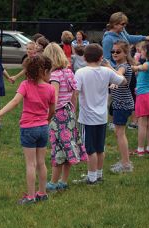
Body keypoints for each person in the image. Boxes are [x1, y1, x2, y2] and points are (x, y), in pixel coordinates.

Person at [0, 55, 55, 205]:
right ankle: (42, 193)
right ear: (42, 70)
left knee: (30, 164)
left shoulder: (25, 85)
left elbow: (14, 102)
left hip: (28, 129)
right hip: (43, 128)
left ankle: (30, 196)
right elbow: (52, 110)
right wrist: (46, 121)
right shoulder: (50, 88)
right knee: (41, 162)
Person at [73, 44, 126, 185]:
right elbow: (123, 81)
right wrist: (109, 68)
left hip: (87, 118)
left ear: (84, 57)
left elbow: (75, 92)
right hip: (102, 117)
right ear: (101, 57)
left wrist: (72, 108)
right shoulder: (106, 72)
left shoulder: (80, 72)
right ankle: (99, 174)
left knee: (90, 150)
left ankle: (92, 178)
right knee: (100, 148)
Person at [42, 43, 87, 191]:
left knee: (58, 149)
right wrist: (73, 111)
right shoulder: (68, 72)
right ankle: (64, 181)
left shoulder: (54, 76)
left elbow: (53, 100)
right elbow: (74, 94)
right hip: (69, 113)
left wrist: (47, 116)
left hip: (58, 114)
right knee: (68, 146)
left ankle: (53, 182)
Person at [107, 40, 134, 172]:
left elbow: (119, 76)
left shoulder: (123, 66)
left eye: (118, 52)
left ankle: (126, 164)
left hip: (123, 104)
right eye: (113, 51)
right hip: (120, 103)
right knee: (119, 133)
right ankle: (124, 161)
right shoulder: (118, 65)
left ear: (125, 53)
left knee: (120, 133)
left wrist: (108, 66)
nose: (114, 53)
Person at [131, 42, 149, 156]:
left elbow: (142, 67)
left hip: (144, 96)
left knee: (142, 124)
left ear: (147, 52)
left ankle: (140, 149)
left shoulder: (147, 64)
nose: (140, 52)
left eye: (142, 50)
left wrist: (134, 67)